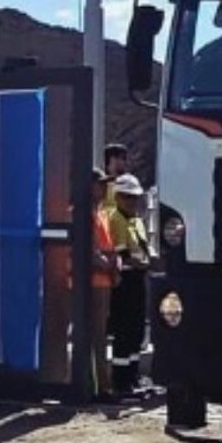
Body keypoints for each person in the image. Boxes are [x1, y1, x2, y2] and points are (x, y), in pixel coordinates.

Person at [69, 169, 120, 402]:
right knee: (93, 336)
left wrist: (115, 264)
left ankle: (100, 385)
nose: (104, 188)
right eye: (100, 184)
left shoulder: (100, 213)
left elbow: (108, 247)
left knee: (99, 335)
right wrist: (110, 266)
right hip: (89, 282)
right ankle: (97, 387)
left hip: (102, 281)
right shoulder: (80, 214)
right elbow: (89, 252)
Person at [108, 172, 156, 400]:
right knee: (124, 330)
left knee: (137, 329)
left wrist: (150, 261)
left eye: (135, 197)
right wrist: (143, 263)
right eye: (127, 197)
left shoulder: (136, 220)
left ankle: (134, 375)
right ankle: (121, 380)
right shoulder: (116, 219)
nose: (132, 202)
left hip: (139, 279)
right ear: (117, 197)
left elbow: (143, 248)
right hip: (125, 281)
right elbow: (123, 255)